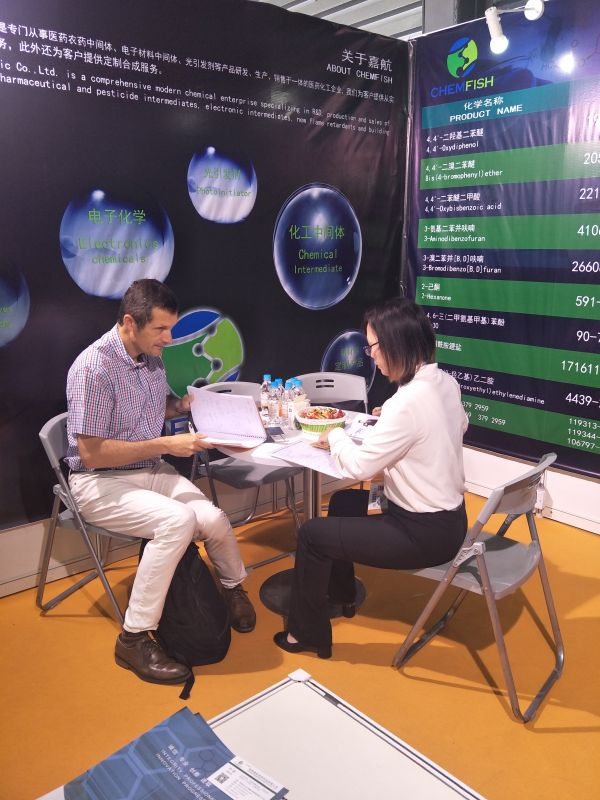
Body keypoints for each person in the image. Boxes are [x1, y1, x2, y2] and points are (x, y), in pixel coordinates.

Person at [66, 279, 256, 686]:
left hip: (147, 470)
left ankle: (233, 587)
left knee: (213, 518)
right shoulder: (93, 368)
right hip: (97, 482)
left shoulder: (150, 358)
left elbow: (147, 412)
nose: (169, 339)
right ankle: (133, 639)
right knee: (178, 521)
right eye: (161, 329)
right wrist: (167, 444)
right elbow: (92, 453)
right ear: (129, 323)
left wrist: (180, 406)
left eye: (171, 328)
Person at [273, 297, 468, 659]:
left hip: (422, 533)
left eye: (373, 347)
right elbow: (456, 425)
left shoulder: (406, 403)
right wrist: (393, 427)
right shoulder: (444, 382)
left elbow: (358, 467)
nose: (372, 356)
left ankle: (306, 634)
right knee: (344, 503)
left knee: (312, 535)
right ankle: (342, 595)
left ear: (396, 344)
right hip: (452, 519)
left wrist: (334, 434)